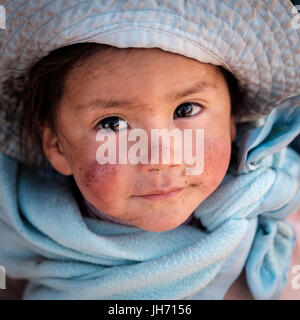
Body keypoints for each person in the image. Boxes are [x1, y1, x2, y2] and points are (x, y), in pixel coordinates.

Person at [0, 0, 299, 300]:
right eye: (113, 124)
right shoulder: (19, 236)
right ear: (57, 147)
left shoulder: (272, 200)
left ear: (231, 120)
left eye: (186, 109)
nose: (160, 158)